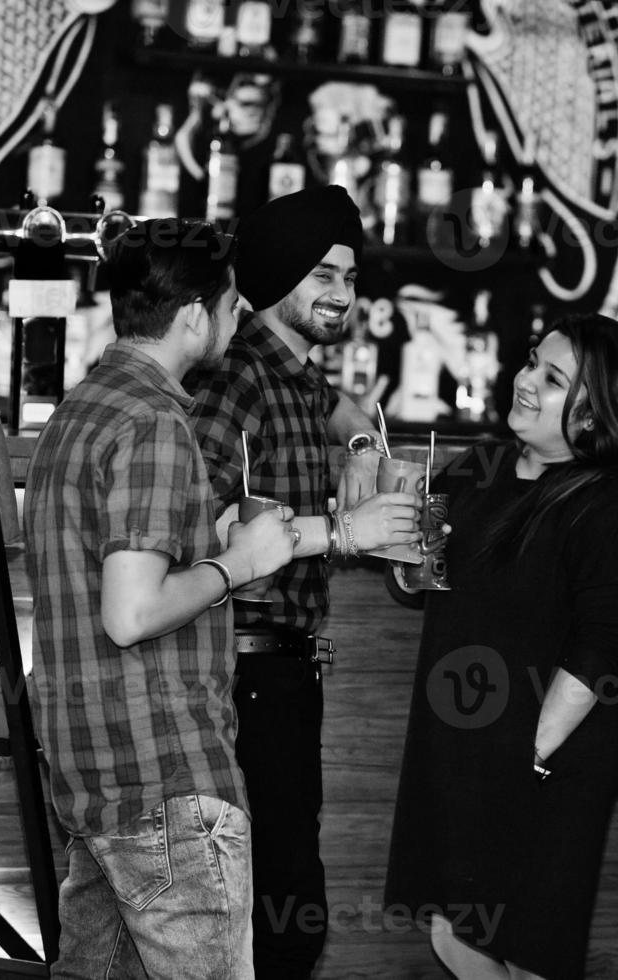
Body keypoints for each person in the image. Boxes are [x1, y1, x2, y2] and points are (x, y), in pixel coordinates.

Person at [24, 218, 299, 978]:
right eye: (234, 302)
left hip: (91, 783)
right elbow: (131, 614)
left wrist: (208, 538)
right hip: (163, 778)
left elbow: (99, 580)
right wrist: (237, 565)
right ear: (192, 318)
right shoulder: (155, 422)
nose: (242, 316)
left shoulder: (77, 414)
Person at [186, 185, 423, 979]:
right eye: (322, 274)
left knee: (278, 903)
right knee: (281, 912)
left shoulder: (287, 372)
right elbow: (199, 526)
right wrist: (345, 533)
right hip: (239, 670)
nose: (341, 295)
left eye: (350, 278)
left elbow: (341, 406)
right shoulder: (235, 378)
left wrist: (359, 443)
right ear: (278, 276)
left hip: (277, 669)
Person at [384, 314, 618, 980]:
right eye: (531, 360)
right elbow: (429, 574)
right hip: (464, 741)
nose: (526, 380)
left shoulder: (606, 507)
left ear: (595, 417)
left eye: (552, 376)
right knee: (455, 934)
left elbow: (601, 649)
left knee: (531, 952)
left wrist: (531, 754)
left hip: (547, 755)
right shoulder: (481, 461)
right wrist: (404, 561)